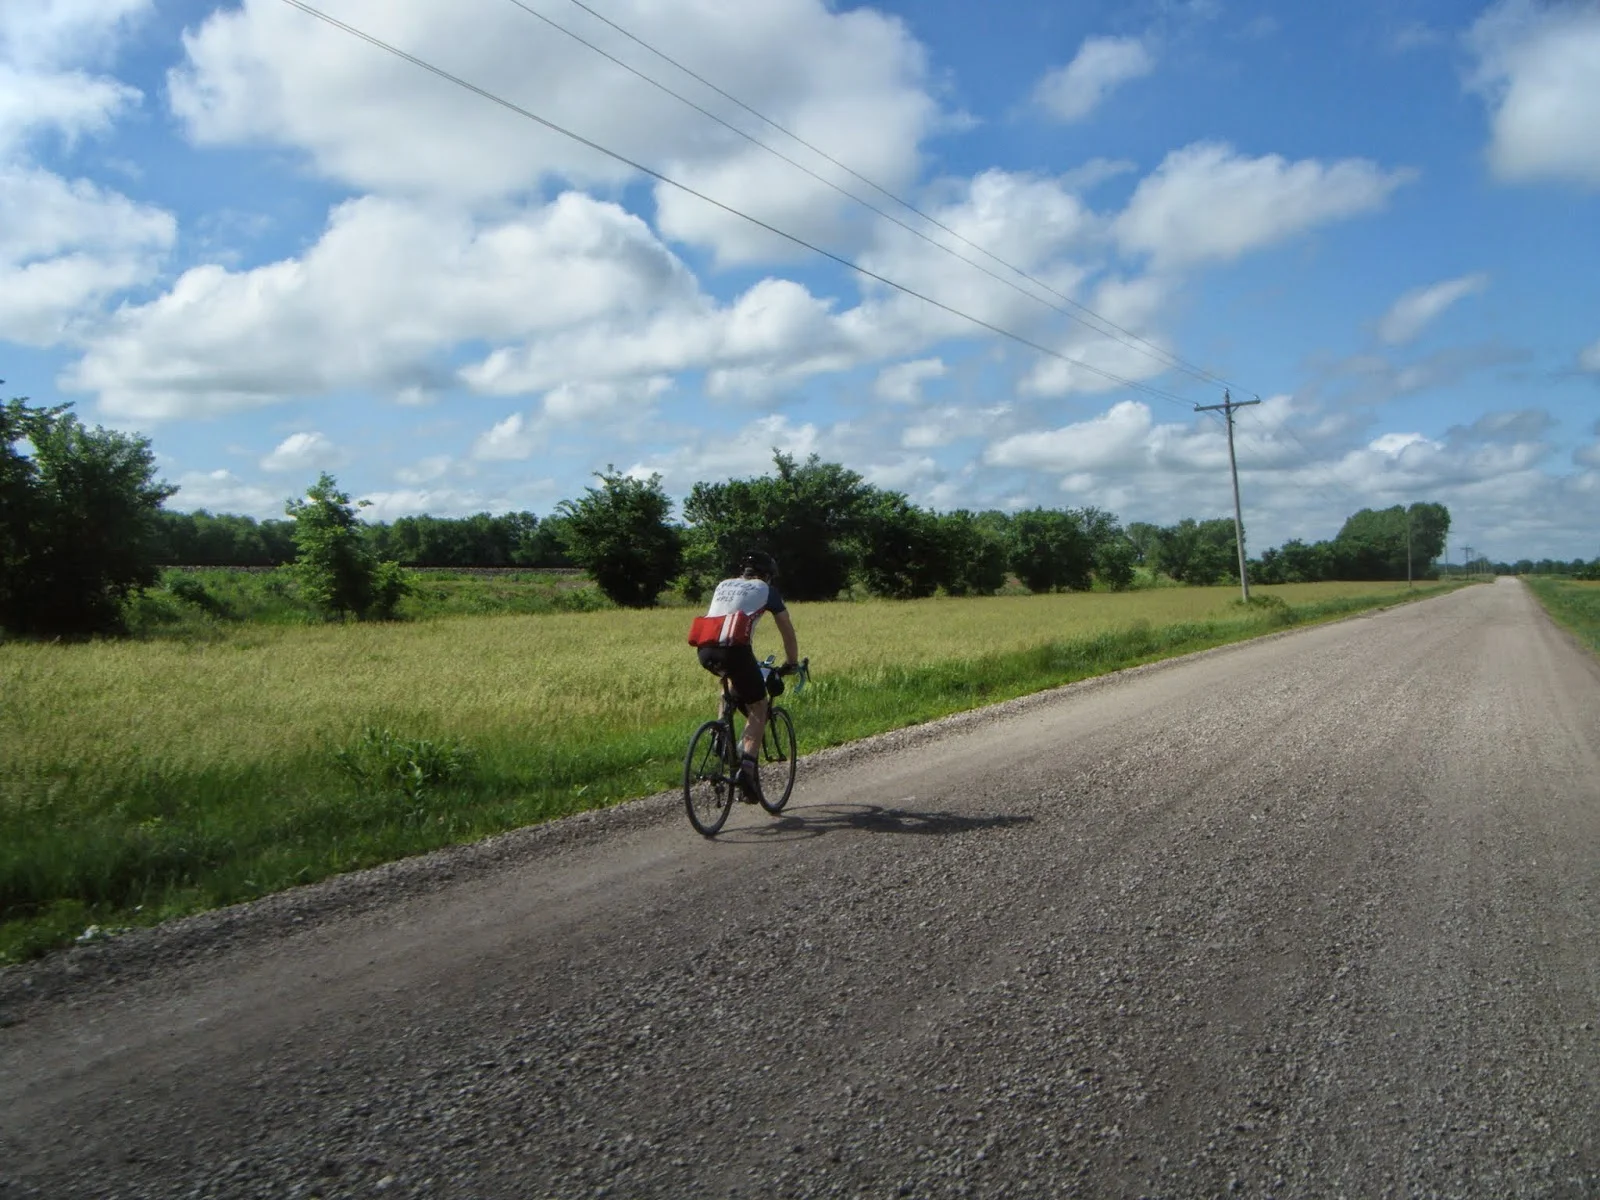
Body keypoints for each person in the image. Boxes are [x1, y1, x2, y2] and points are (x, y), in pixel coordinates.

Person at [688, 551, 800, 803]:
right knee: (758, 705)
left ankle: (720, 736)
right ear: (768, 575)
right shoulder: (767, 590)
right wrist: (791, 662)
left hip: (705, 650)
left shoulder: (724, 585)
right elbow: (787, 631)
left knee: (727, 680)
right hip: (736, 651)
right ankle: (747, 771)